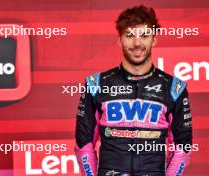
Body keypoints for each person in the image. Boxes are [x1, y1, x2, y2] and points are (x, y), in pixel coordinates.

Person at [75, 5, 193, 176]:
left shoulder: (174, 88)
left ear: (154, 39)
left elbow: (183, 147)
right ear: (119, 40)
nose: (137, 43)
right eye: (130, 36)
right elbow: (83, 144)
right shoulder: (96, 84)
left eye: (144, 35)